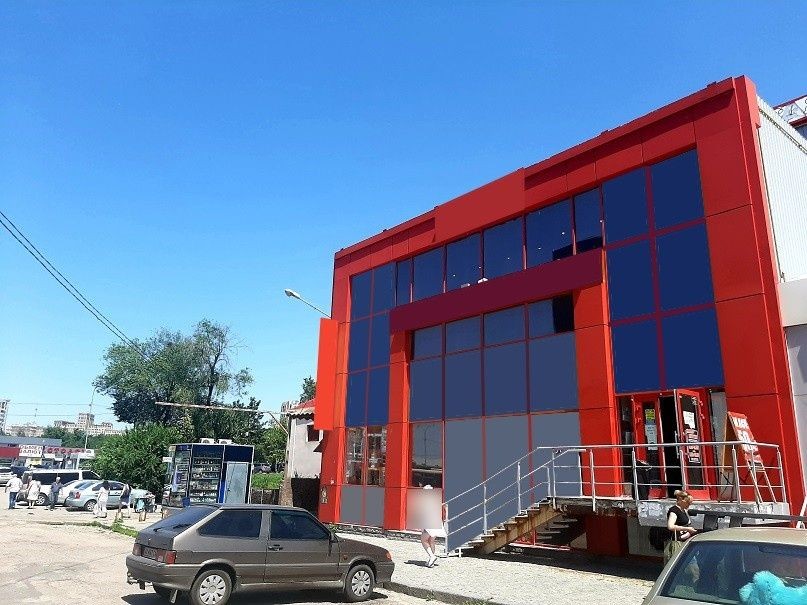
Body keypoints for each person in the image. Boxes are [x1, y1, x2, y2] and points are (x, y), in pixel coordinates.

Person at [665, 489, 697, 563]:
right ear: (681, 500)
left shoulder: (684, 510)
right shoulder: (674, 511)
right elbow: (670, 526)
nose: (689, 505)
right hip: (678, 542)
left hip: (685, 541)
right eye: (688, 503)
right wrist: (687, 529)